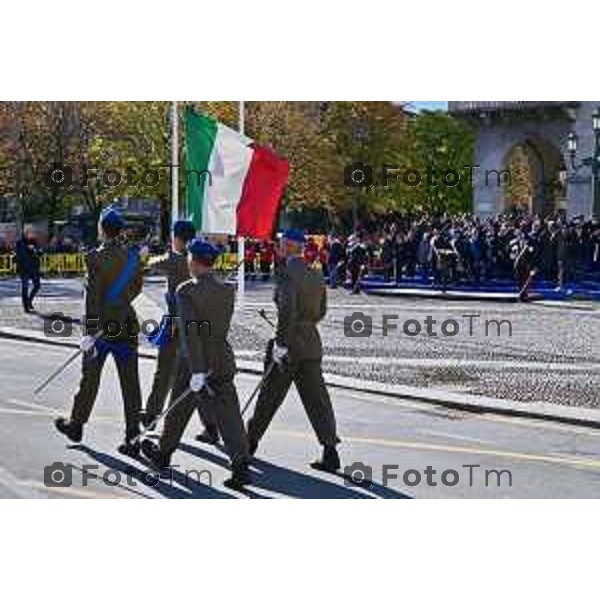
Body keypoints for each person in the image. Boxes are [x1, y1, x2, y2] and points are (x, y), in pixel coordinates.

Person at [141, 239, 250, 489]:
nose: (188, 261)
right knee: (230, 414)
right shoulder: (226, 290)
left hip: (195, 358)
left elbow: (191, 332)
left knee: (178, 410)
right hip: (222, 356)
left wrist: (198, 369)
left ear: (195, 261)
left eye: (190, 258)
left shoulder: (186, 290)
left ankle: (163, 453)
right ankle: (241, 464)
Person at [246, 229, 341, 473]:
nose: (278, 246)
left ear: (288, 246)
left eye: (281, 243)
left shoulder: (285, 271)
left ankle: (248, 444)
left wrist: (281, 343)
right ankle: (330, 451)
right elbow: (321, 311)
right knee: (317, 400)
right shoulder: (316, 271)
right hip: (311, 341)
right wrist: (305, 325)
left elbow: (287, 310)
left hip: (289, 345)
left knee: (268, 398)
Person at [54, 206, 145, 456]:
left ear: (102, 230)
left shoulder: (94, 257)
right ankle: (132, 436)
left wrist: (89, 331)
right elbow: (137, 287)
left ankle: (76, 425)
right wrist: (121, 302)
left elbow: (91, 298)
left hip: (101, 329)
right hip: (126, 324)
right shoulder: (133, 257)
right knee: (131, 384)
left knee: (90, 379)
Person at [142, 220, 219, 444]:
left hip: (177, 324)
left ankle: (151, 414)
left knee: (164, 370)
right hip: (200, 325)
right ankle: (211, 425)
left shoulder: (174, 259)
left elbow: (151, 262)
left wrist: (150, 253)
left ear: (176, 237)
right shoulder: (200, 258)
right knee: (197, 374)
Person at [15, 228, 42, 313]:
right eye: (30, 233)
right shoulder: (20, 243)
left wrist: (36, 251)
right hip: (24, 269)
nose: (32, 234)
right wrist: (29, 250)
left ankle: (29, 301)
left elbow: (40, 253)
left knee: (37, 285)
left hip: (34, 268)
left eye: (32, 233)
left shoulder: (35, 242)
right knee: (25, 288)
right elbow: (20, 256)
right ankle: (26, 307)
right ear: (26, 233)